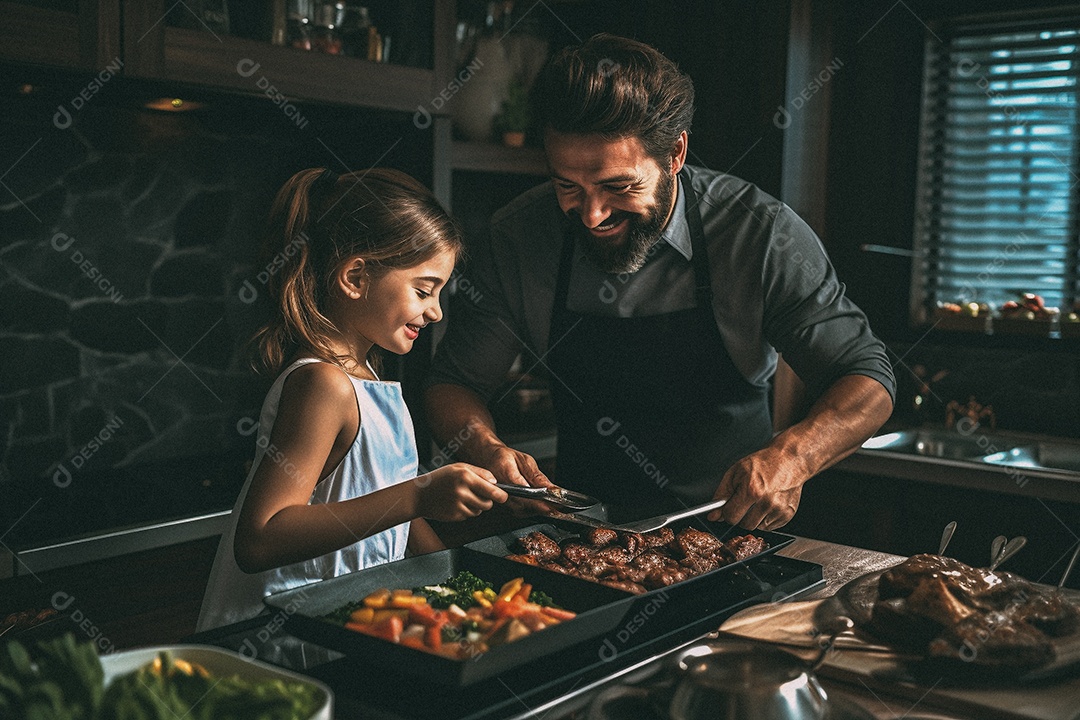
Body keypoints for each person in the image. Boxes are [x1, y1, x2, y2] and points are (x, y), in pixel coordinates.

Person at [425, 34, 895, 532]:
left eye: (618, 186)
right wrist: (486, 449)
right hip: (580, 539)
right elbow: (454, 383)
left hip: (728, 538)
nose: (592, 214)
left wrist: (795, 457)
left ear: (675, 153)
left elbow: (868, 378)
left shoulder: (759, 235)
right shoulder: (518, 237)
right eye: (568, 185)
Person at [198, 167, 507, 631]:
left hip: (336, 620)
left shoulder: (367, 376)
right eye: (424, 290)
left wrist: (464, 578)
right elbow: (260, 539)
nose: (437, 311)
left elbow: (390, 505)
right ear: (356, 276)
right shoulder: (324, 384)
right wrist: (420, 495)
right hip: (278, 635)